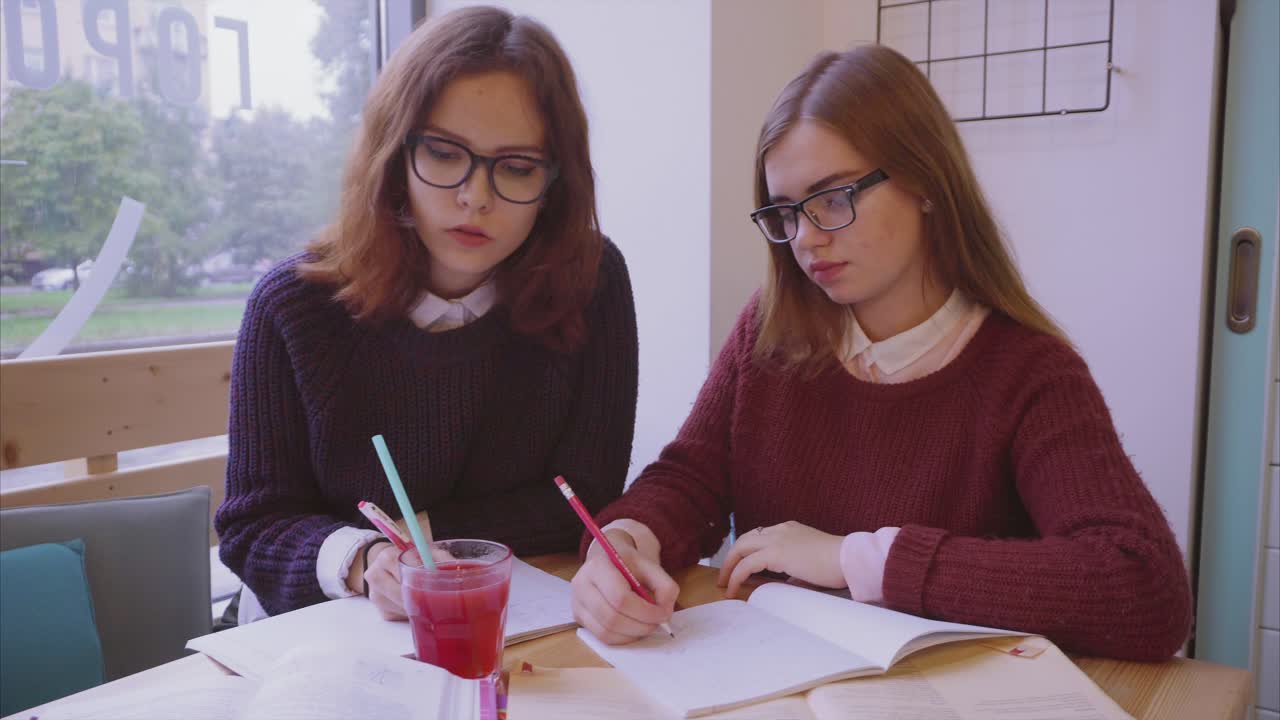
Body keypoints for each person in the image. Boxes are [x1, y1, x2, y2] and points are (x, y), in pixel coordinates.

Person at [569, 44, 1190, 661]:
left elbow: (1143, 587)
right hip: (777, 681)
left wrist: (855, 558)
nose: (806, 239)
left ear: (923, 179)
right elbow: (690, 479)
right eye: (786, 212)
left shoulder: (1029, 372)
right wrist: (624, 540)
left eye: (834, 199)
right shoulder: (770, 332)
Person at [216, 6, 638, 621]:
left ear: (556, 183)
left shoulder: (590, 283)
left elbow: (584, 495)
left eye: (517, 168)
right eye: (444, 154)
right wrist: (366, 562)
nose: (476, 197)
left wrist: (428, 536)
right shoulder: (294, 304)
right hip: (319, 629)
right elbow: (254, 525)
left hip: (516, 616)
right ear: (394, 154)